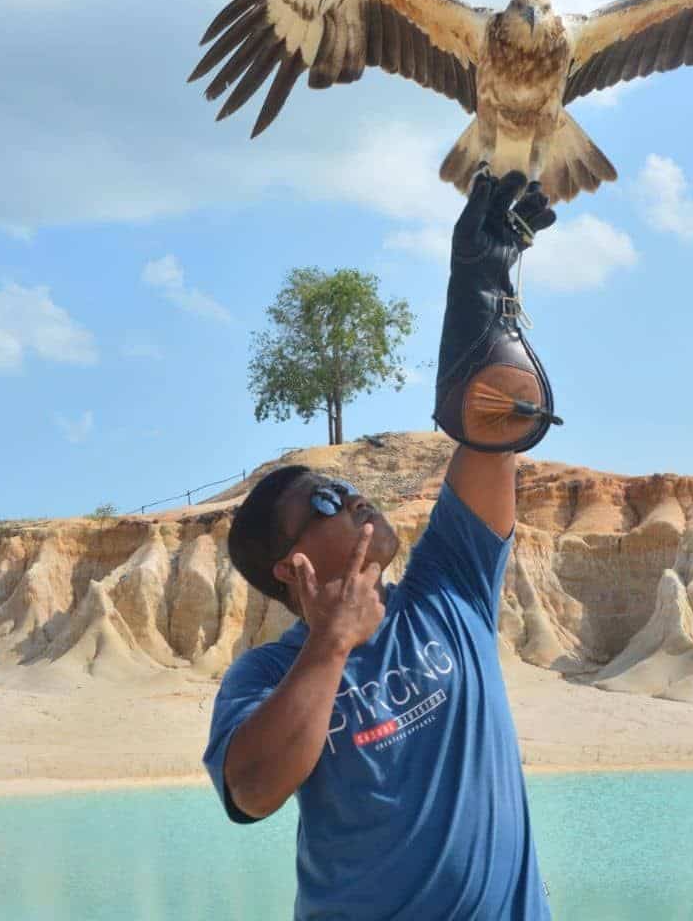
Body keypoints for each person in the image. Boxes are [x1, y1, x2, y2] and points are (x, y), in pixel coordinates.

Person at [203, 171, 557, 920]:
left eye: (346, 484)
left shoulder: (447, 588)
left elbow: (492, 427)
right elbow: (253, 791)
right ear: (288, 564)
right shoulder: (261, 678)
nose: (355, 496)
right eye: (326, 502)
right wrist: (330, 645)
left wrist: (480, 284)